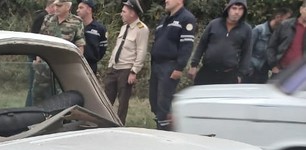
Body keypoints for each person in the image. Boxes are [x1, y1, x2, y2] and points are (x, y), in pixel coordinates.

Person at [149, 0, 195, 130]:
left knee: (164, 103)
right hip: (156, 66)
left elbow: (186, 45)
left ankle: (165, 133)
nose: (166, 1)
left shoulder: (186, 18)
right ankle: (161, 126)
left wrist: (179, 67)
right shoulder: (164, 20)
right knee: (154, 101)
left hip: (170, 66)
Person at [103, 0, 148, 124]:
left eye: (124, 11)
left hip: (126, 69)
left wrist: (134, 71)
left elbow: (141, 51)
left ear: (132, 13)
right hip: (115, 68)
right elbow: (119, 47)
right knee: (106, 98)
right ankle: (103, 121)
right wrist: (110, 65)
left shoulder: (141, 29)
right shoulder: (124, 27)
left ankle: (119, 124)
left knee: (122, 101)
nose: (121, 14)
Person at [188, 0, 252, 85]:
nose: (237, 12)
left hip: (229, 75)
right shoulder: (214, 24)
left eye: (241, 9)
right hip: (207, 72)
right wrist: (194, 65)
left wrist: (241, 74)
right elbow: (201, 45)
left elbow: (246, 53)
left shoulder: (246, 29)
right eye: (234, 8)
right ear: (228, 9)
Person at [248, 8, 291, 83]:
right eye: (287, 19)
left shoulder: (281, 34)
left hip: (265, 72)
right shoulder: (259, 30)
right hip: (251, 70)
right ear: (278, 17)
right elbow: (247, 51)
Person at [267, 2, 306, 79]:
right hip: (280, 70)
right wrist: (273, 66)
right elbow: (271, 46)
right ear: (301, 9)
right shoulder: (286, 25)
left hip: (300, 74)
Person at [77, 0, 107, 73]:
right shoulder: (75, 26)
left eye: (81, 8)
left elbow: (103, 48)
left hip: (90, 66)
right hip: (75, 63)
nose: (77, 10)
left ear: (89, 10)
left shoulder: (100, 28)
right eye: (78, 8)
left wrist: (93, 58)